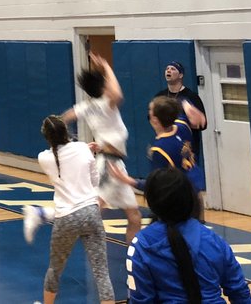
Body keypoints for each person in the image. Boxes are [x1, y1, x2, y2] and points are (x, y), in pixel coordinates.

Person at [42, 52, 142, 243]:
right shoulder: (106, 104)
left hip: (117, 164)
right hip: (108, 164)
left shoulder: (86, 106)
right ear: (103, 86)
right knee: (94, 206)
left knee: (134, 216)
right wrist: (106, 66)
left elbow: (64, 118)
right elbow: (118, 93)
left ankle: (133, 257)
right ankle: (45, 214)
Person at [127, 168, 251, 304]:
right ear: (189, 198)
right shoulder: (214, 240)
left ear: (152, 203)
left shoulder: (142, 244)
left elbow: (141, 300)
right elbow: (239, 292)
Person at [28, 115, 115, 304]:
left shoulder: (44, 158)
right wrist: (87, 150)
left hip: (66, 217)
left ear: (47, 137)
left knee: (55, 269)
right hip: (91, 212)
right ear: (66, 131)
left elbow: (60, 154)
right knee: (101, 272)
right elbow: (95, 182)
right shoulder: (83, 148)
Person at [110, 96, 207, 216]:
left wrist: (128, 180)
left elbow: (155, 184)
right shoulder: (182, 126)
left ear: (155, 120)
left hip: (180, 200)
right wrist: (188, 105)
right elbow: (177, 102)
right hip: (196, 191)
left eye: (150, 110)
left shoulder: (160, 149)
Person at [155, 61, 208, 175]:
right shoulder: (160, 96)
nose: (168, 70)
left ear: (180, 75)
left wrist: (189, 119)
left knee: (188, 181)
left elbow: (203, 125)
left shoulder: (191, 97)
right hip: (168, 144)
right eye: (167, 68)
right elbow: (152, 118)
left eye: (173, 69)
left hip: (187, 148)